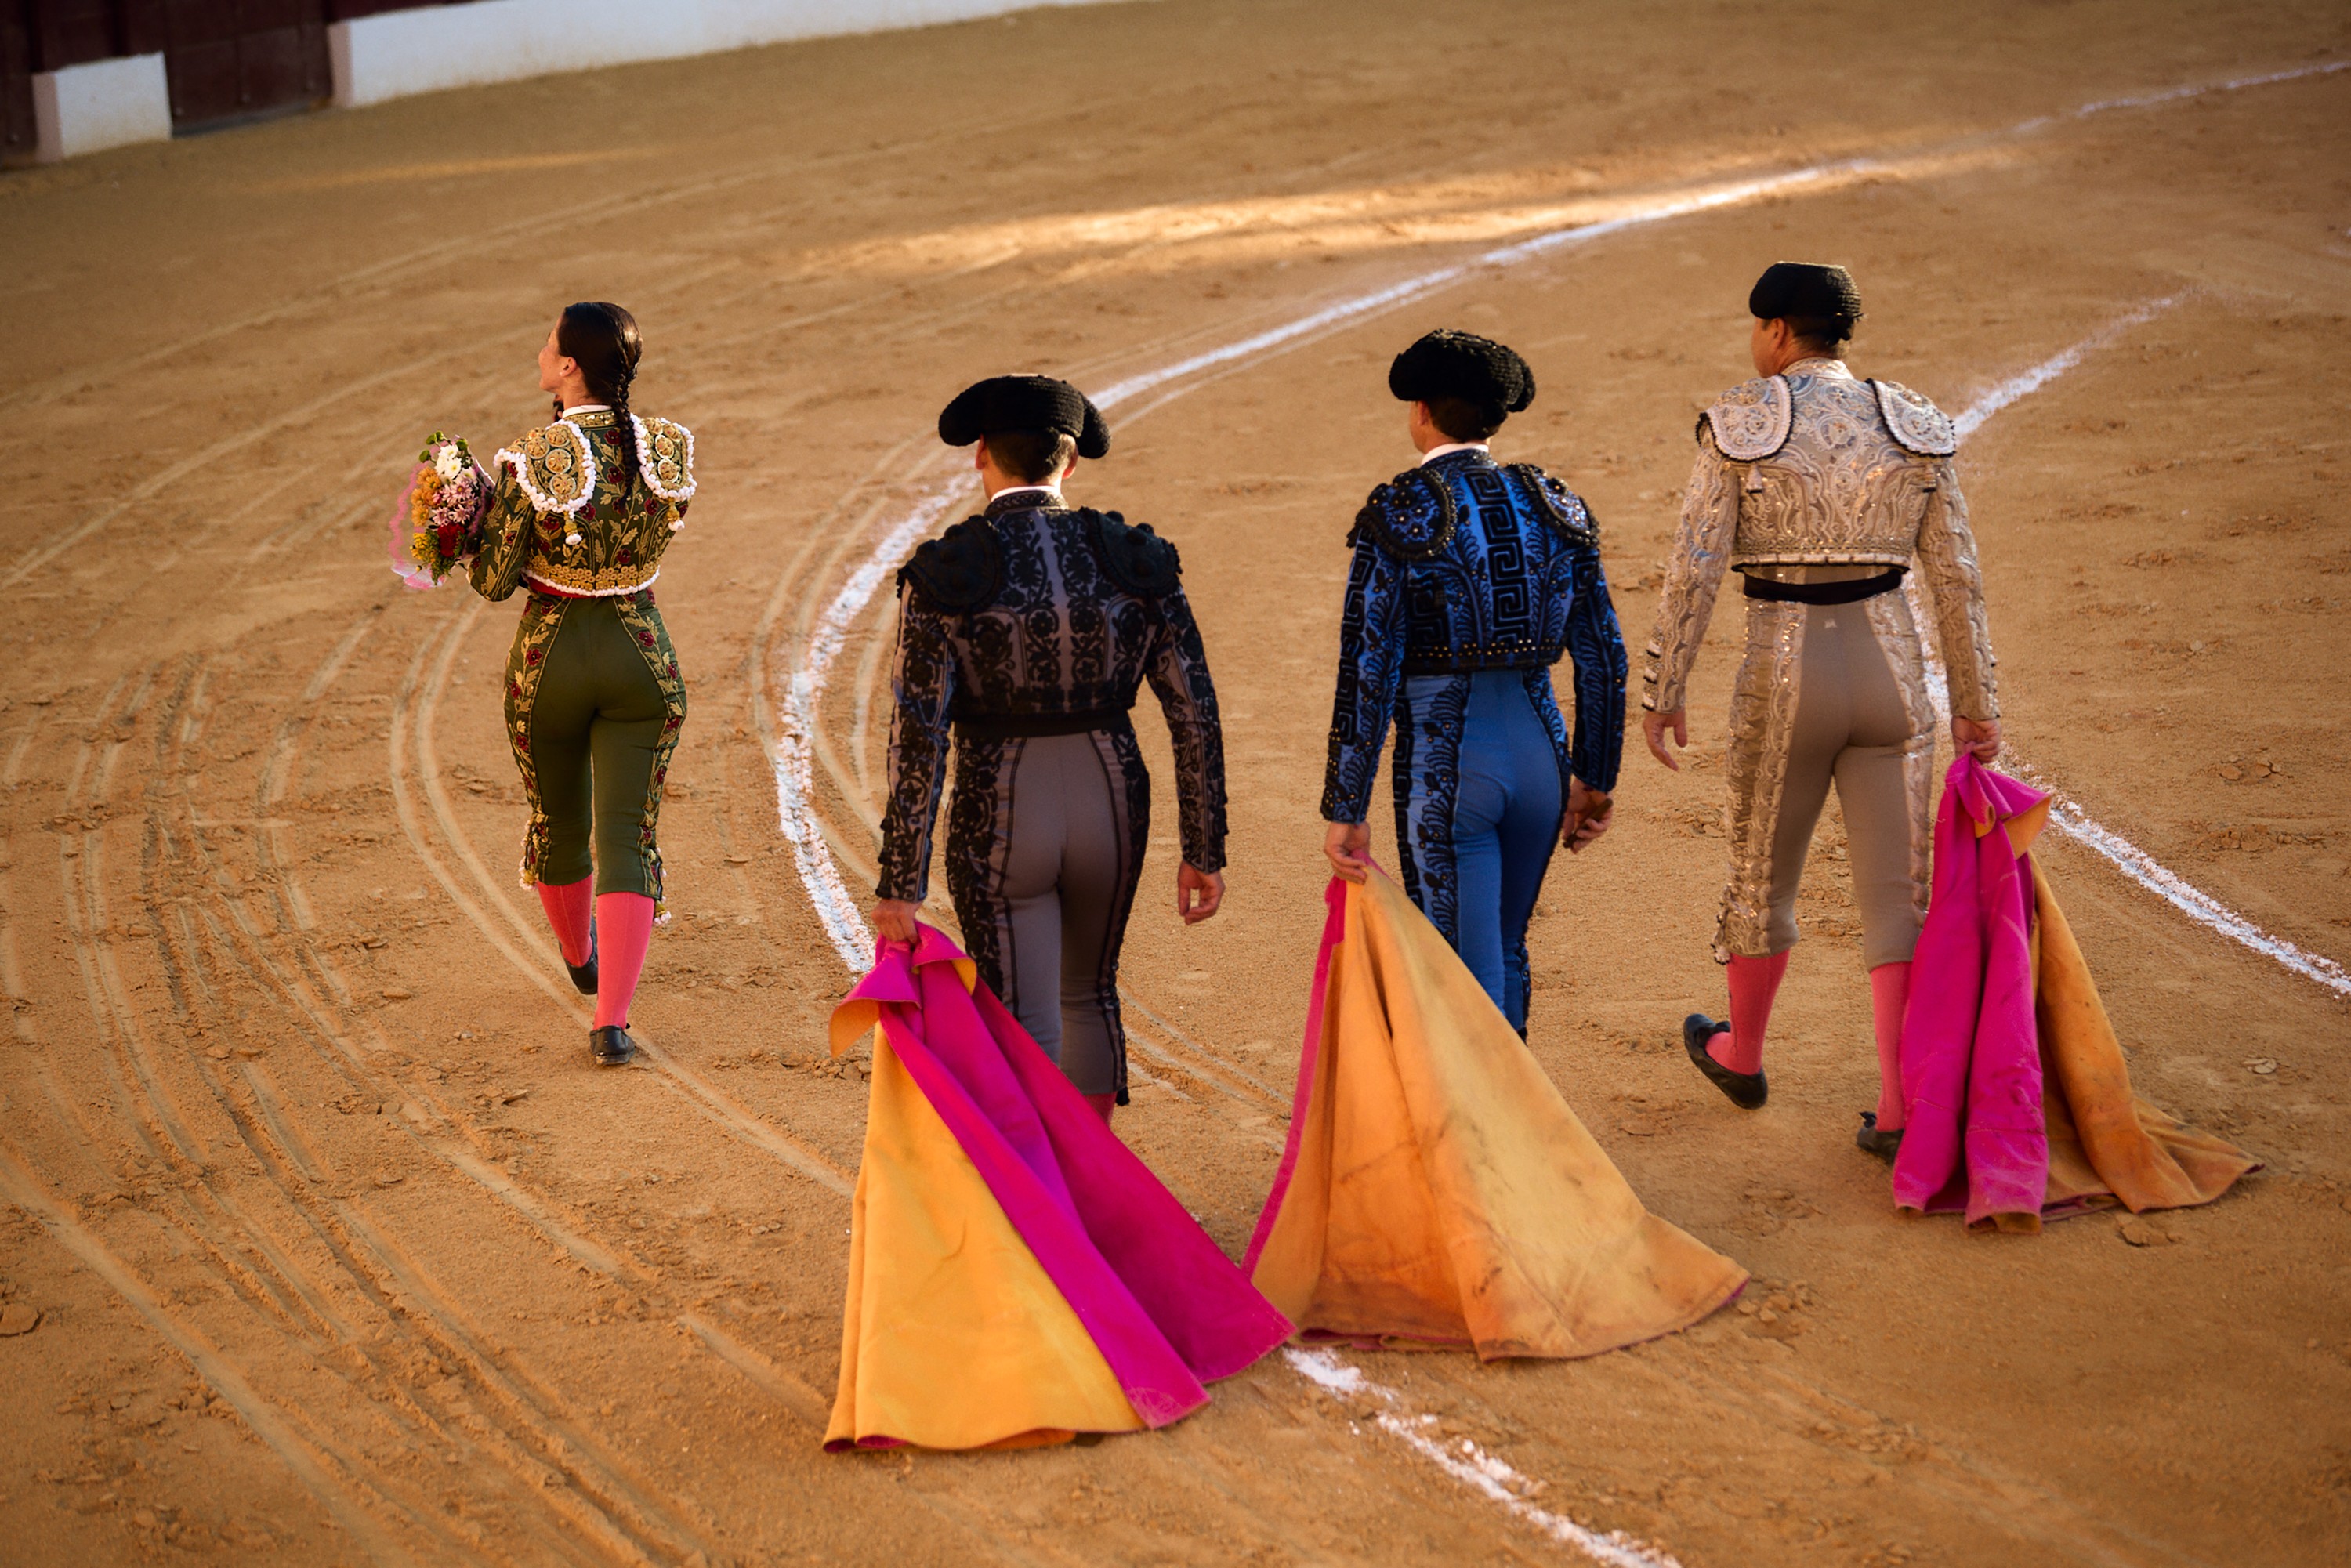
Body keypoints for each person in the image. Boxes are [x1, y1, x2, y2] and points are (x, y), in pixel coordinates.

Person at [1639, 262, 2000, 1154]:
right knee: (1897, 896)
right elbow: (1956, 576)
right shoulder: (1912, 424)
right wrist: (1978, 704)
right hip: (1894, 673)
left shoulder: (1741, 424)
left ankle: (1745, 1053)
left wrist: (1665, 687)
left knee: (1763, 877)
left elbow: (1695, 564)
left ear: (1775, 332)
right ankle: (1899, 1106)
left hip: (1785, 671)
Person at [871, 375, 1227, 1122]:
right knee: (1091, 994)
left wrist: (901, 877)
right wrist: (1204, 843)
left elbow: (918, 736)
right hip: (1110, 792)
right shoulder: (1135, 561)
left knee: (1021, 1015)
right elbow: (1193, 708)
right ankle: (1097, 1196)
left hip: (1004, 807)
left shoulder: (948, 572)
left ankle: (1042, 1209)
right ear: (1071, 463)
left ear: (980, 457)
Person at [1320, 329, 1625, 1036]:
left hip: (1451, 765)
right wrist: (1595, 777)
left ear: (1420, 411)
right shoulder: (1556, 505)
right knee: (1508, 952)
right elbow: (1604, 655)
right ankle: (1517, 1135)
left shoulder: (1402, 511)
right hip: (1541, 756)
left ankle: (1481, 1143)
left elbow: (1367, 664)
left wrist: (1347, 800)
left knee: (1461, 971)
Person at [470, 302, 694, 1069]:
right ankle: (611, 1022)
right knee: (629, 834)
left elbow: (497, 581)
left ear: (570, 367)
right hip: (642, 654)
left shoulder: (533, 456)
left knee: (561, 824)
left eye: (548, 344)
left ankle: (579, 957)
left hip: (551, 660)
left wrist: (475, 520)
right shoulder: (663, 447)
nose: (540, 352)